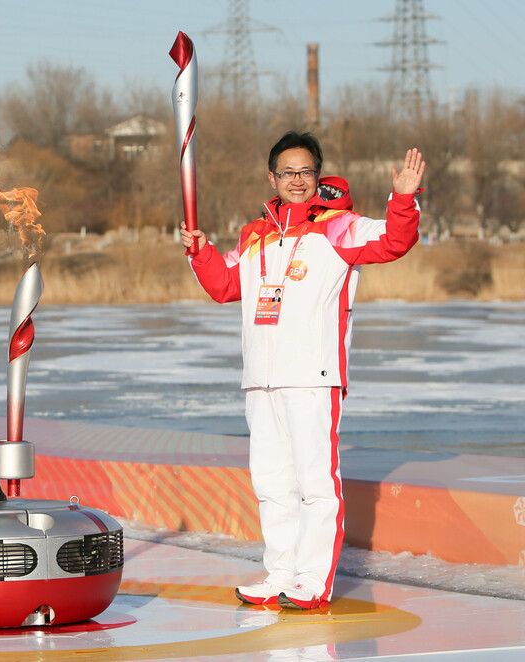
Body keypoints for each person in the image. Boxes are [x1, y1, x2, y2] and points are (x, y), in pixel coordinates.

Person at [180, 131, 425, 610]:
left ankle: (312, 581)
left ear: (317, 176)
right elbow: (225, 285)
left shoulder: (340, 227)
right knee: (271, 482)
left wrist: (404, 197)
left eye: (305, 172)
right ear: (272, 177)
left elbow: (396, 241)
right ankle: (280, 573)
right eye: (287, 172)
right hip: (261, 381)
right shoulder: (256, 234)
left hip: (313, 376)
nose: (296, 180)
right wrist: (201, 250)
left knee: (315, 483)